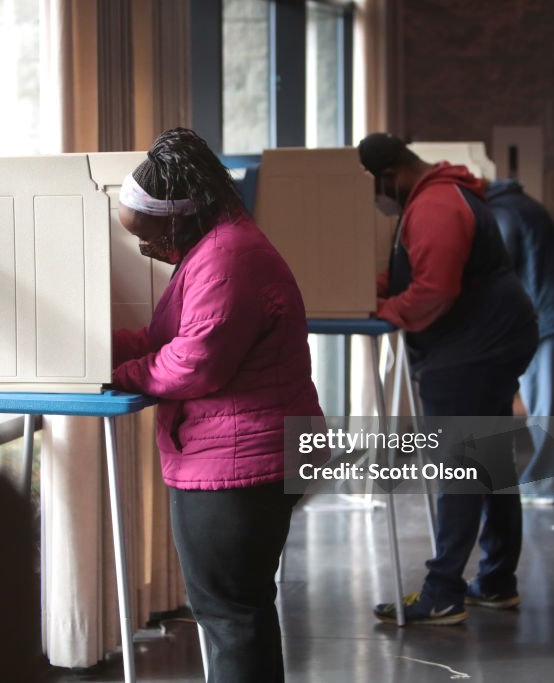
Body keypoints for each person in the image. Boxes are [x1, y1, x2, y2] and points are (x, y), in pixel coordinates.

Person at [110, 128, 323, 682]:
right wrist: (104, 347)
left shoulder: (227, 259)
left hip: (237, 462)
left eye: (149, 237)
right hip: (251, 451)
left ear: (178, 216)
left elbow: (194, 363)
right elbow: (174, 340)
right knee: (242, 612)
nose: (147, 250)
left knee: (230, 618)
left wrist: (116, 374)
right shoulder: (222, 246)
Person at [357, 132, 538, 625]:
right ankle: (497, 582)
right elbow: (416, 271)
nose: (377, 203)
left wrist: (385, 309)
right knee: (490, 465)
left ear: (390, 178)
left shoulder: (434, 205)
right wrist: (366, 287)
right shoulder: (440, 192)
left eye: (375, 190)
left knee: (460, 469)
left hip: (474, 350)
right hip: (492, 339)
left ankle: (442, 593)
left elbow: (435, 290)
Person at [487, 179, 554, 503]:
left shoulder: (503, 212)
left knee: (544, 405)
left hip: (545, 314)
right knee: (550, 404)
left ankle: (546, 484)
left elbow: (501, 265)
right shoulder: (521, 203)